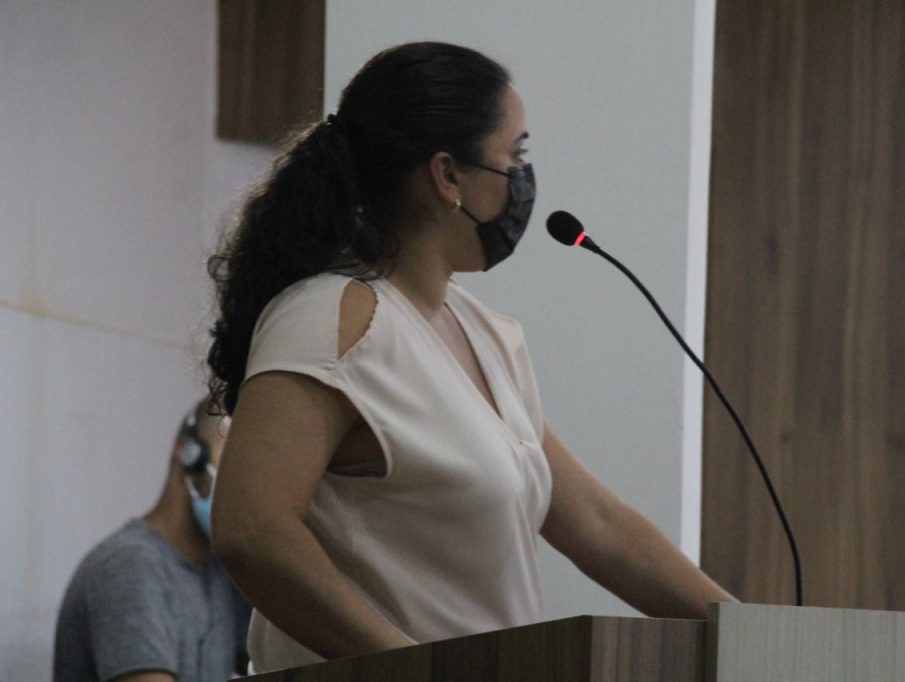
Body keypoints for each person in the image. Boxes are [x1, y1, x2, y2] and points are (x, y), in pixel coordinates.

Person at [206, 41, 736, 673]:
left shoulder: (485, 332)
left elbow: (596, 523)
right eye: (515, 157)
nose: (523, 179)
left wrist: (754, 632)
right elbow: (252, 531)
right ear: (448, 176)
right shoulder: (332, 316)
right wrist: (416, 669)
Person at [53, 400, 250, 681]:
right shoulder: (129, 567)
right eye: (232, 464)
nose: (245, 487)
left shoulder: (221, 574)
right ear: (189, 454)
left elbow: (274, 658)